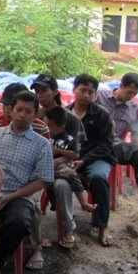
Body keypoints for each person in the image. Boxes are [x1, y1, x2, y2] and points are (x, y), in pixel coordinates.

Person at [0, 90, 54, 274]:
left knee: (19, 223)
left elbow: (43, 180)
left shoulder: (42, 144)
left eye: (28, 111)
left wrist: (10, 196)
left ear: (35, 114)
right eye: (19, 109)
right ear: (10, 110)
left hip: (18, 195)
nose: (22, 115)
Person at [96, 73, 138, 210]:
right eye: (129, 92)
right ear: (121, 86)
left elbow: (135, 134)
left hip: (114, 146)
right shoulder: (99, 96)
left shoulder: (134, 108)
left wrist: (136, 151)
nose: (131, 96)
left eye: (135, 93)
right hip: (93, 143)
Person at [67, 74, 116, 247]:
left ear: (95, 95)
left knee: (98, 178)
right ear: (74, 90)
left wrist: (85, 160)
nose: (86, 95)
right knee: (58, 180)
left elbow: (107, 144)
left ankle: (102, 226)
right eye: (83, 90)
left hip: (98, 158)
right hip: (71, 158)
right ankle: (65, 225)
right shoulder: (65, 113)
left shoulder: (102, 115)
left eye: (91, 92)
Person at [45, 106, 95, 248]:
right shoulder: (44, 135)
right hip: (44, 168)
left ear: (61, 126)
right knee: (66, 175)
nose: (48, 129)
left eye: (51, 126)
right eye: (47, 124)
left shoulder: (67, 138)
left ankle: (80, 208)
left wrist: (58, 152)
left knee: (68, 177)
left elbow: (75, 154)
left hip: (60, 168)